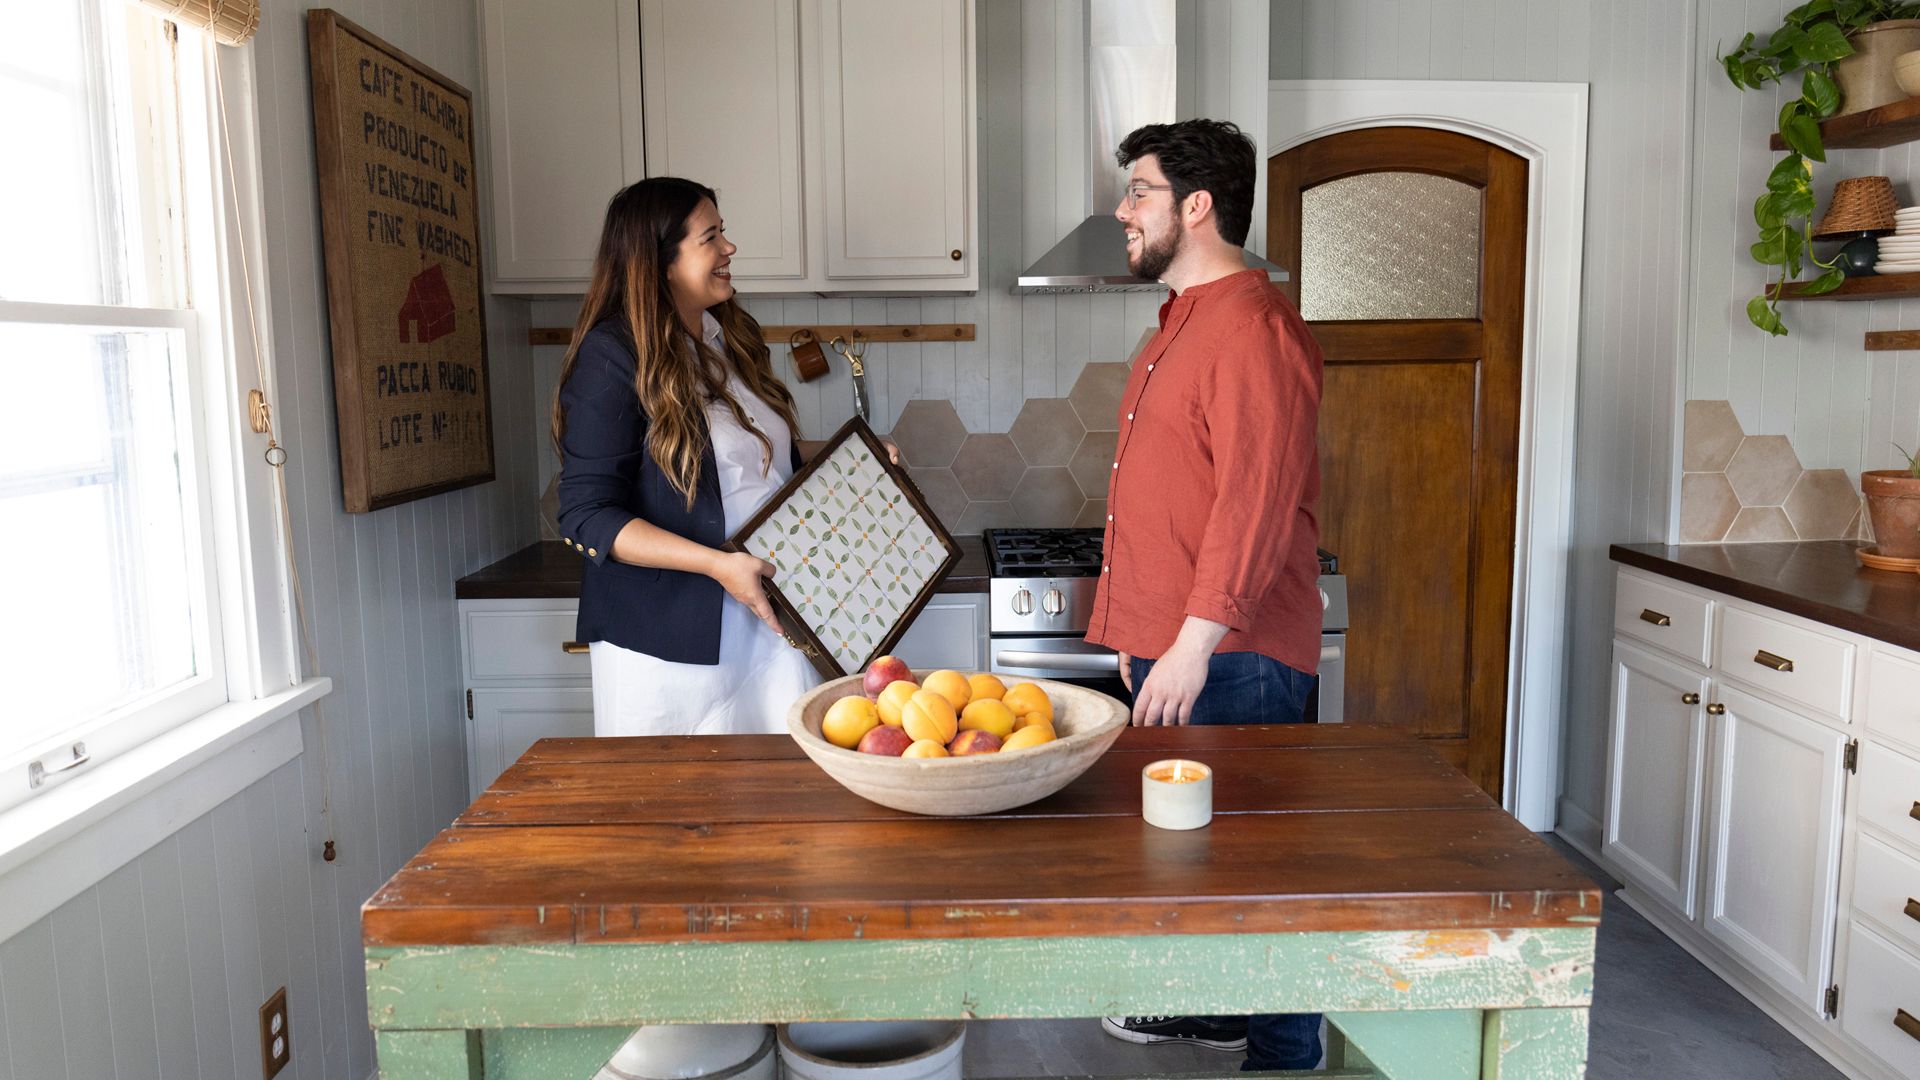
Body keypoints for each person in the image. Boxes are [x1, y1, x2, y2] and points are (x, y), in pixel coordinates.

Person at [1085, 120, 1327, 1071]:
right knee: (1193, 860)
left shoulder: (1256, 329)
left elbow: (1254, 505)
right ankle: (1226, 1010)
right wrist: (1139, 635)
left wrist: (1186, 645)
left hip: (1235, 656)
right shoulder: (1176, 328)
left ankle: (1286, 1053)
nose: (1121, 210)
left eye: (1137, 191)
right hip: (1182, 645)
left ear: (1196, 206)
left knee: (1258, 865)